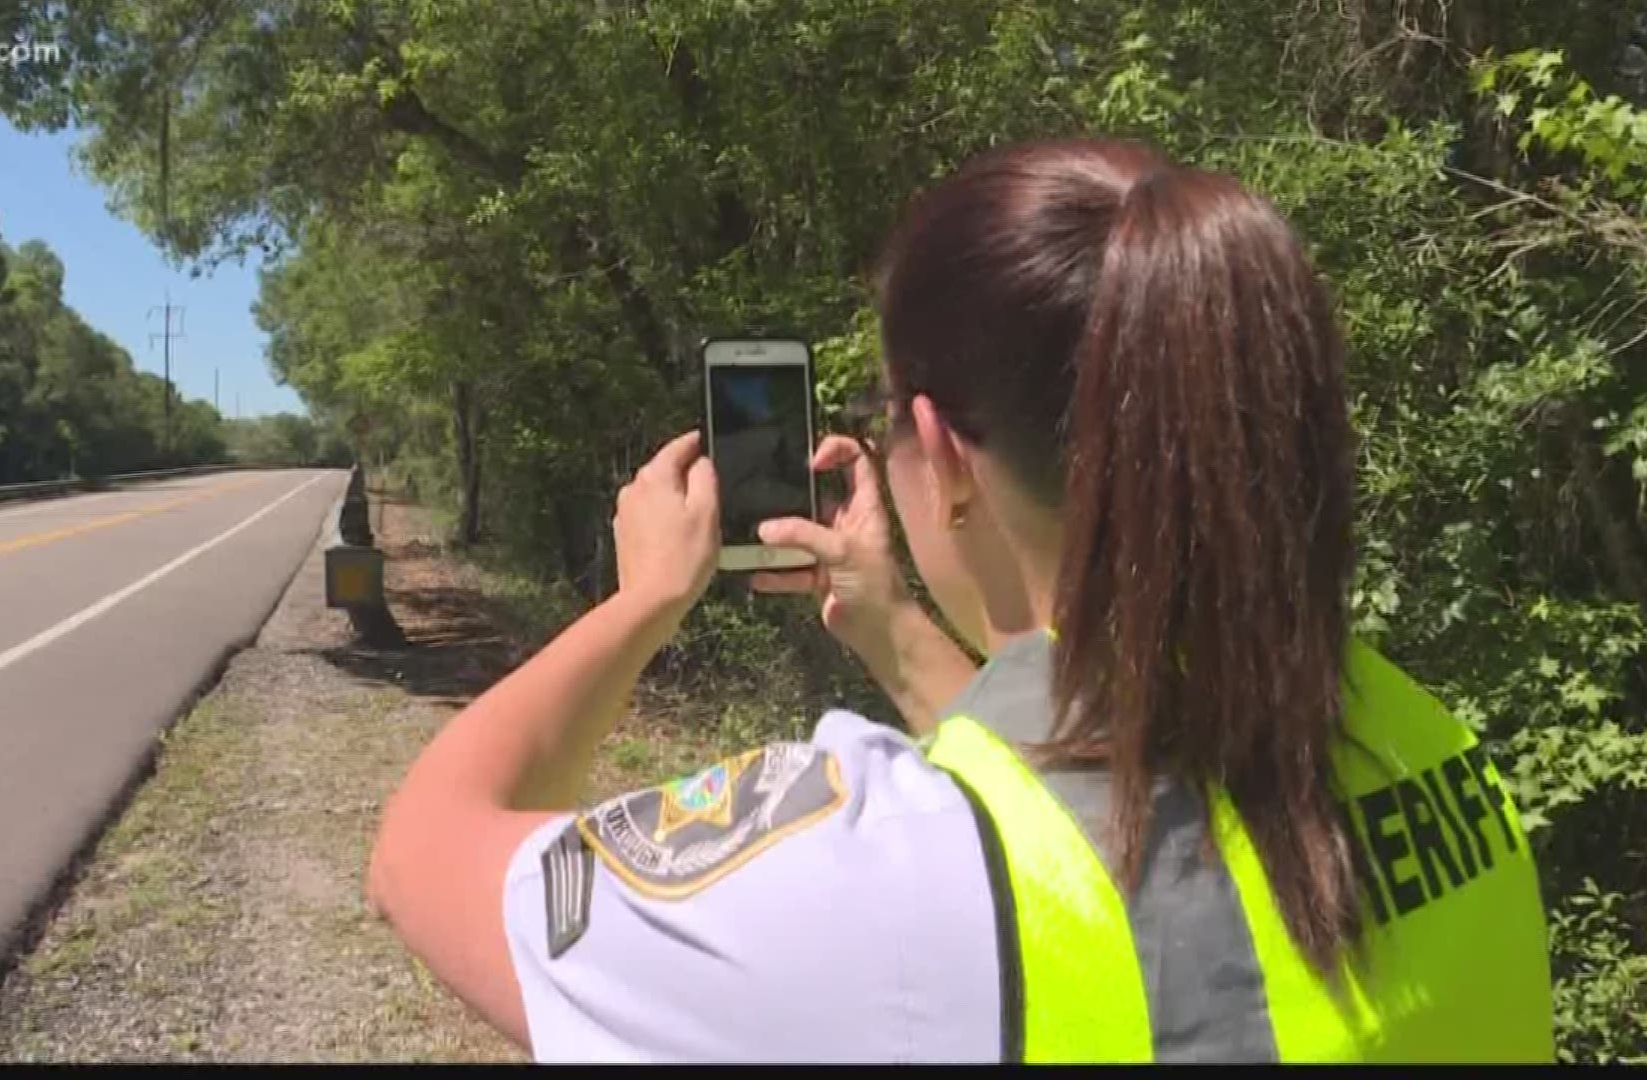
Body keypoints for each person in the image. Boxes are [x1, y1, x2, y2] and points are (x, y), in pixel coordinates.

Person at [366, 137, 1555, 1063]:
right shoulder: (1423, 745)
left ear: (940, 444)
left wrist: (639, 605)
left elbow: (424, 854)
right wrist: (894, 634)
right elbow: (1095, 833)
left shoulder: (858, 888)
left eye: (890, 414)